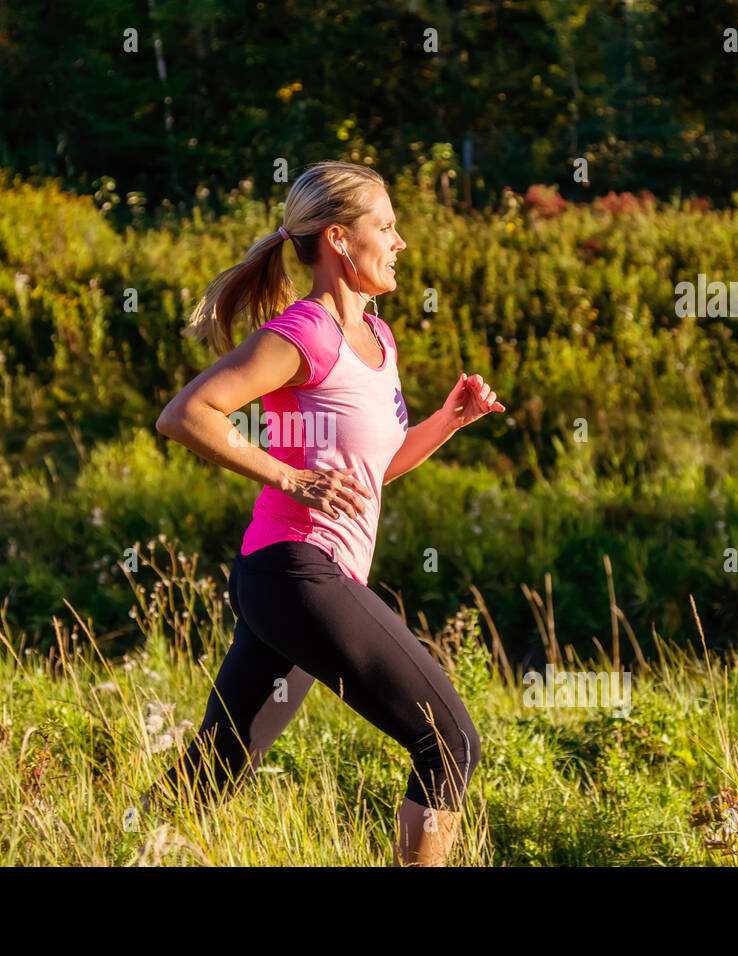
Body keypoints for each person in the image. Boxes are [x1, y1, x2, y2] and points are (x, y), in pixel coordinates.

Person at [147, 160, 505, 866]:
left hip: (299, 579)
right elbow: (187, 414)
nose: (401, 241)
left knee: (215, 768)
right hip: (294, 572)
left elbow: (371, 474)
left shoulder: (380, 338)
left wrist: (446, 422)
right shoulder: (304, 333)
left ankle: (107, 850)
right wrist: (290, 477)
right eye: (388, 226)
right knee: (448, 738)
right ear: (340, 239)